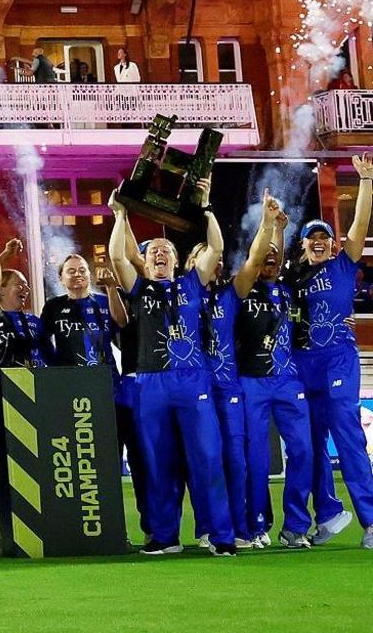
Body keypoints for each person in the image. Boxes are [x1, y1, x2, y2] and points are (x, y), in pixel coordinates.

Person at [108, 186, 235, 555]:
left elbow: (216, 249)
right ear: (145, 264)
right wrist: (120, 214)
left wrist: (207, 209)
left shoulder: (192, 282)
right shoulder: (141, 288)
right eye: (152, 252)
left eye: (166, 251)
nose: (159, 254)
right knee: (157, 462)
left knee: (207, 458)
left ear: (177, 262)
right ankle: (166, 536)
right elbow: (118, 256)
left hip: (191, 378)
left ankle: (219, 535)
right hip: (150, 381)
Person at [289, 155, 373, 548]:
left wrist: (365, 181)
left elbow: (359, 226)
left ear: (333, 244)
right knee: (309, 444)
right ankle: (328, 514)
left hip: (337, 359)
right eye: (311, 236)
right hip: (301, 363)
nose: (318, 240)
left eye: (324, 236)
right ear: (301, 246)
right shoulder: (293, 278)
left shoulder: (343, 265)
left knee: (347, 436)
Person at [231, 194, 314, 548]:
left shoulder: (288, 290)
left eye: (275, 257)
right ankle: (257, 525)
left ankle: (295, 526)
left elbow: (276, 253)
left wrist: (279, 229)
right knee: (257, 459)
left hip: (288, 381)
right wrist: (267, 224)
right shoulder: (242, 288)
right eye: (265, 255)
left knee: (304, 452)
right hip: (252, 382)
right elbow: (261, 255)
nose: (270, 259)